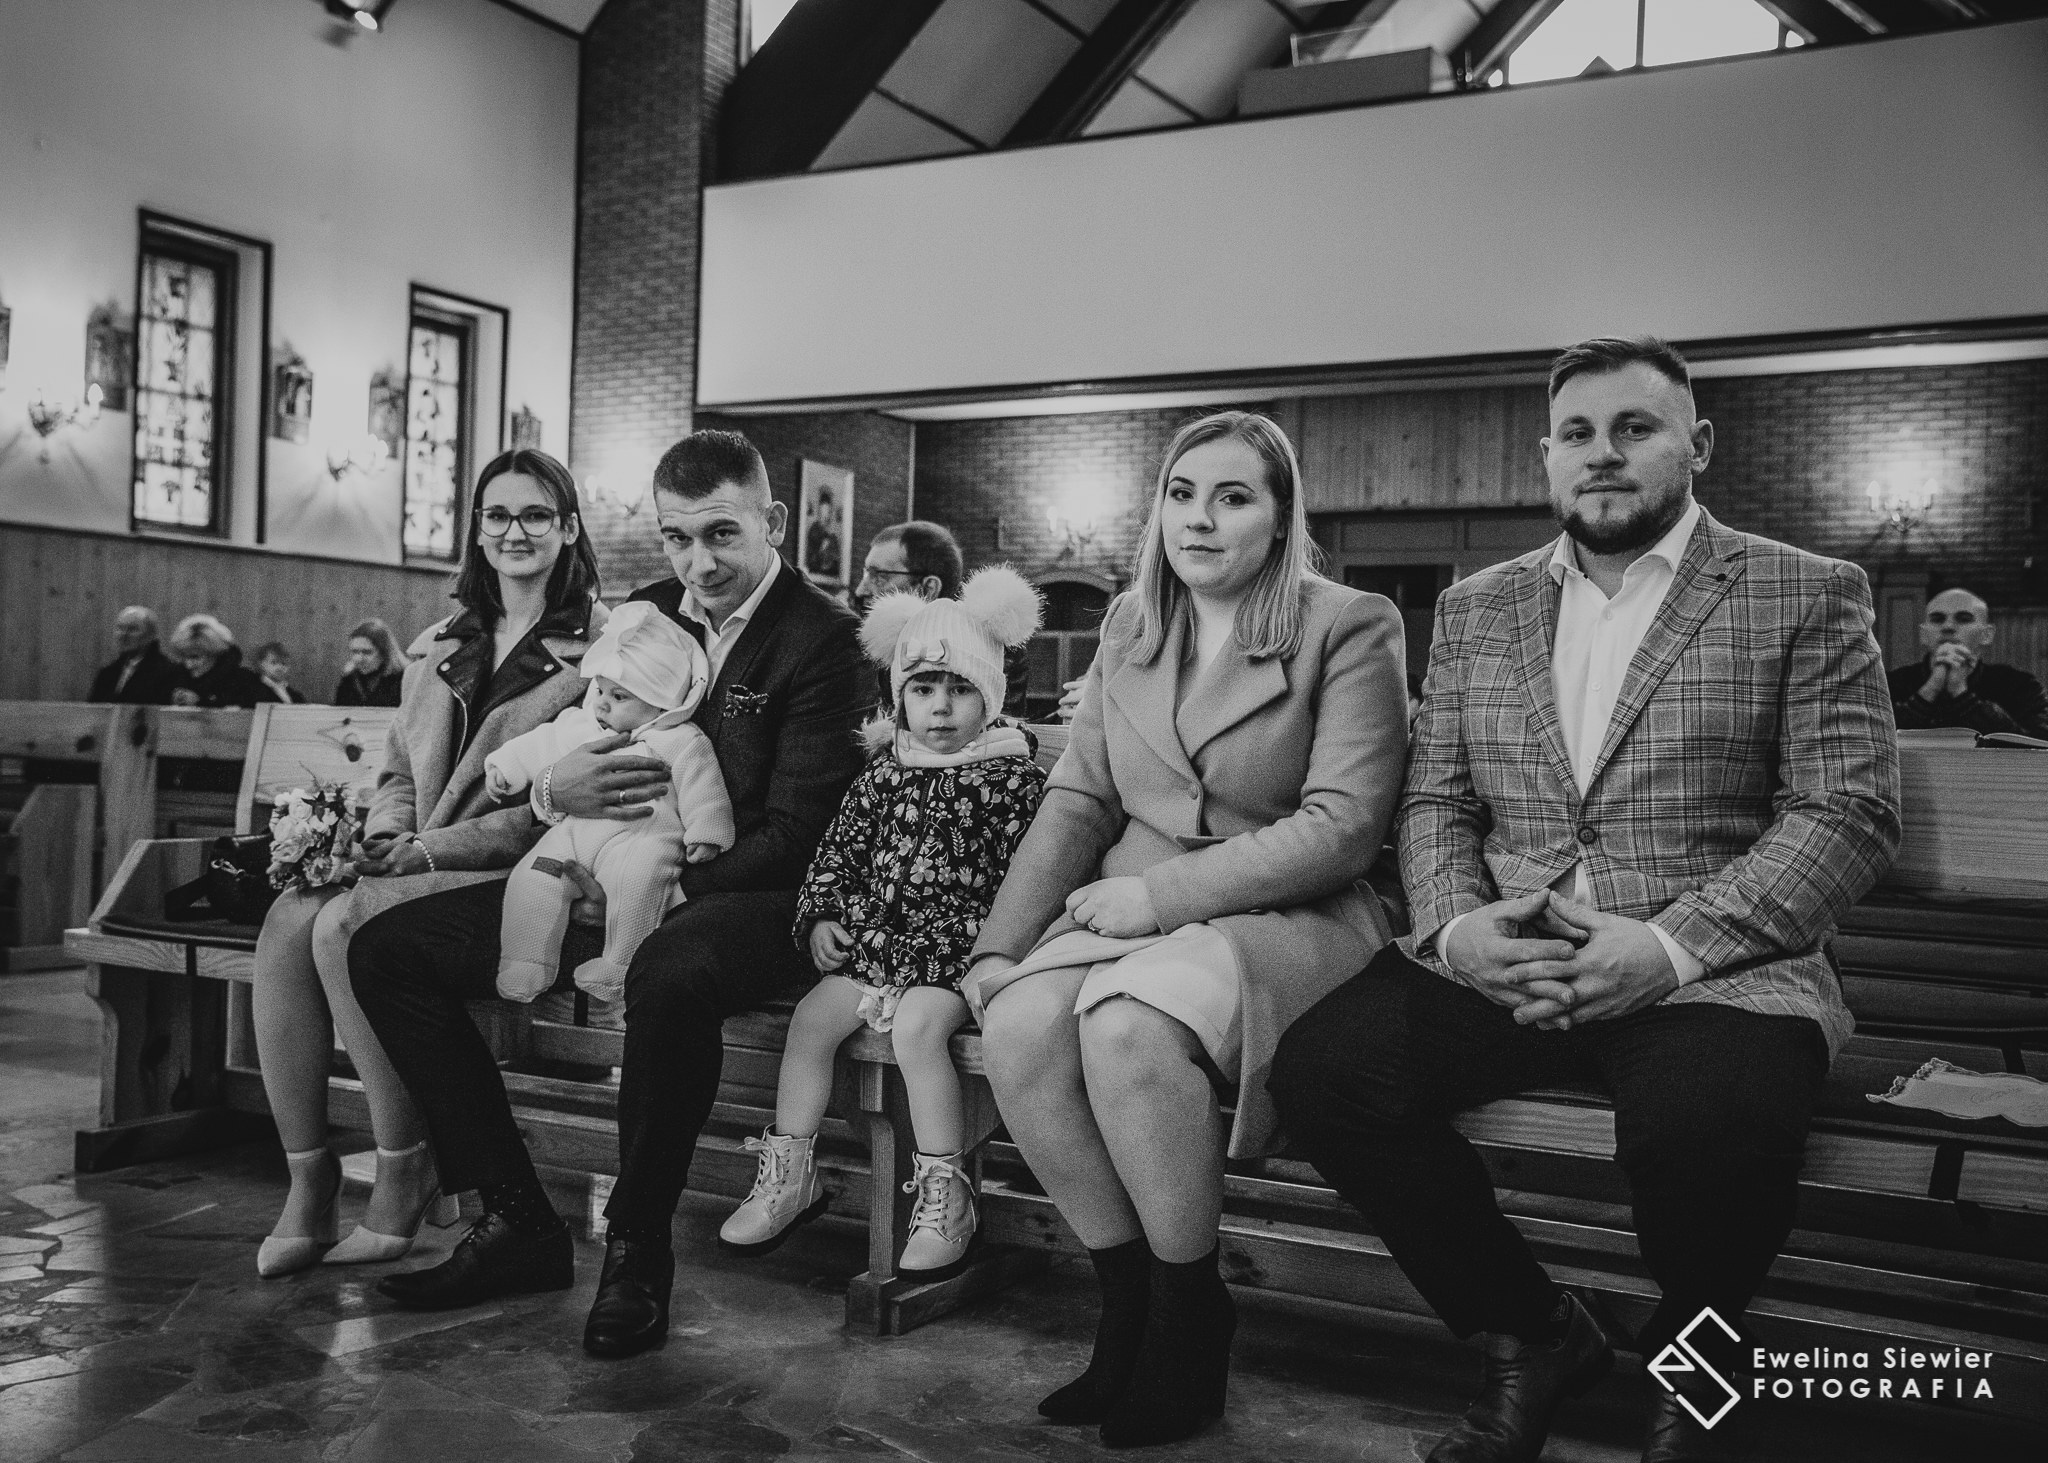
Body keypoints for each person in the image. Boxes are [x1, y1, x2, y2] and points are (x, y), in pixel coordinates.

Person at [1267, 337, 1902, 1463]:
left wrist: (1666, 947)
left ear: (1696, 445)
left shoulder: (1802, 590)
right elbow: (1435, 797)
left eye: (1633, 427)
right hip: (1513, 949)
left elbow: (1844, 811)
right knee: (1324, 1076)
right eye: (1576, 433)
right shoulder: (1480, 605)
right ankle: (1530, 1333)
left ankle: (1695, 1380)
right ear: (1548, 455)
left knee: (1712, 1125)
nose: (1601, 452)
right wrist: (1458, 927)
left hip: (1714, 966)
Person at [348, 430, 871, 1356]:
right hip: (605, 867)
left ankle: (636, 1247)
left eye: (721, 534)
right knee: (387, 951)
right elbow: (570, 749)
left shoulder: (825, 638)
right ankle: (518, 1218)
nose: (698, 563)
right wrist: (558, 800)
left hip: (760, 896)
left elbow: (798, 836)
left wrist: (659, 886)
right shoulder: (647, 610)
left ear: (774, 521)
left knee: (665, 972)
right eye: (677, 537)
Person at [964, 411, 1409, 1448]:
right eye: (1180, 494)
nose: (1198, 519)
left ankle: (1186, 1309)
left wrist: (1161, 899)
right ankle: (1126, 1301)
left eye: (1232, 496)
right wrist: (998, 945)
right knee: (1018, 1025)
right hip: (1132, 908)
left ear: (1280, 515)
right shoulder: (1131, 623)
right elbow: (1079, 798)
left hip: (1286, 912)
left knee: (1125, 1028)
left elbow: (1343, 826)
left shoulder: (1348, 623)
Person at [251, 447, 607, 1278]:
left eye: (536, 515)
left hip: (513, 873)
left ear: (567, 528)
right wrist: (384, 834)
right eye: (498, 515)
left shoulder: (599, 651)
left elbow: (557, 801)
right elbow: (399, 772)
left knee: (344, 923)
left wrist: (424, 851)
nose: (515, 531)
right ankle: (308, 1178)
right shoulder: (437, 643)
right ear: (477, 531)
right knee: (287, 918)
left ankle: (404, 1166)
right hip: (419, 856)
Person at [719, 567, 1047, 1274]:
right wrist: (820, 917)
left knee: (918, 1029)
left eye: (960, 689)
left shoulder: (1013, 779)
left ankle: (945, 1194)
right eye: (922, 689)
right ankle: (790, 1173)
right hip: (875, 948)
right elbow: (836, 853)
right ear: (899, 696)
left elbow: (1034, 878)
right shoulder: (882, 774)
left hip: (959, 954)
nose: (940, 707)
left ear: (990, 695)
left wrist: (1004, 956)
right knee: (811, 1021)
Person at [487, 600, 734, 1005]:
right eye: (599, 689)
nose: (601, 703)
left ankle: (619, 965)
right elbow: (543, 742)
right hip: (572, 838)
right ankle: (525, 961)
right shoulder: (584, 726)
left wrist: (707, 831)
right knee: (534, 876)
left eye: (619, 696)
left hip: (643, 838)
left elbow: (704, 786)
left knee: (638, 883)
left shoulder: (681, 740)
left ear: (662, 702)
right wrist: (507, 766)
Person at [859, 521, 1030, 716]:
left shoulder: (996, 650)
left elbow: (1000, 727)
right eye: (866, 574)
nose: (861, 590)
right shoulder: (874, 646)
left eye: (879, 576)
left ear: (928, 588)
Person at [1888, 587, 2048, 741]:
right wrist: (1931, 688)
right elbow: (1878, 739)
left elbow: (2039, 744)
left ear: (1986, 635)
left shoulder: (2021, 687)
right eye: (1937, 619)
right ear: (1923, 634)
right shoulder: (1892, 684)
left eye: (1963, 619)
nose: (1948, 627)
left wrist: (1960, 693)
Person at [166, 614, 275, 708]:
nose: (188, 665)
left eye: (195, 657)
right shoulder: (176, 679)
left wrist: (202, 702)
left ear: (215, 654)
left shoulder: (246, 683)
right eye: (184, 657)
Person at [88, 605, 182, 704]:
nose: (124, 634)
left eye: (132, 629)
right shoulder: (107, 673)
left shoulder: (168, 673)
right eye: (120, 628)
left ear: (150, 635)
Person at [335, 619, 409, 707]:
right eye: (355, 652)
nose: (359, 659)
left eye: (367, 652)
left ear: (384, 653)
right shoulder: (349, 679)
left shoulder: (404, 679)